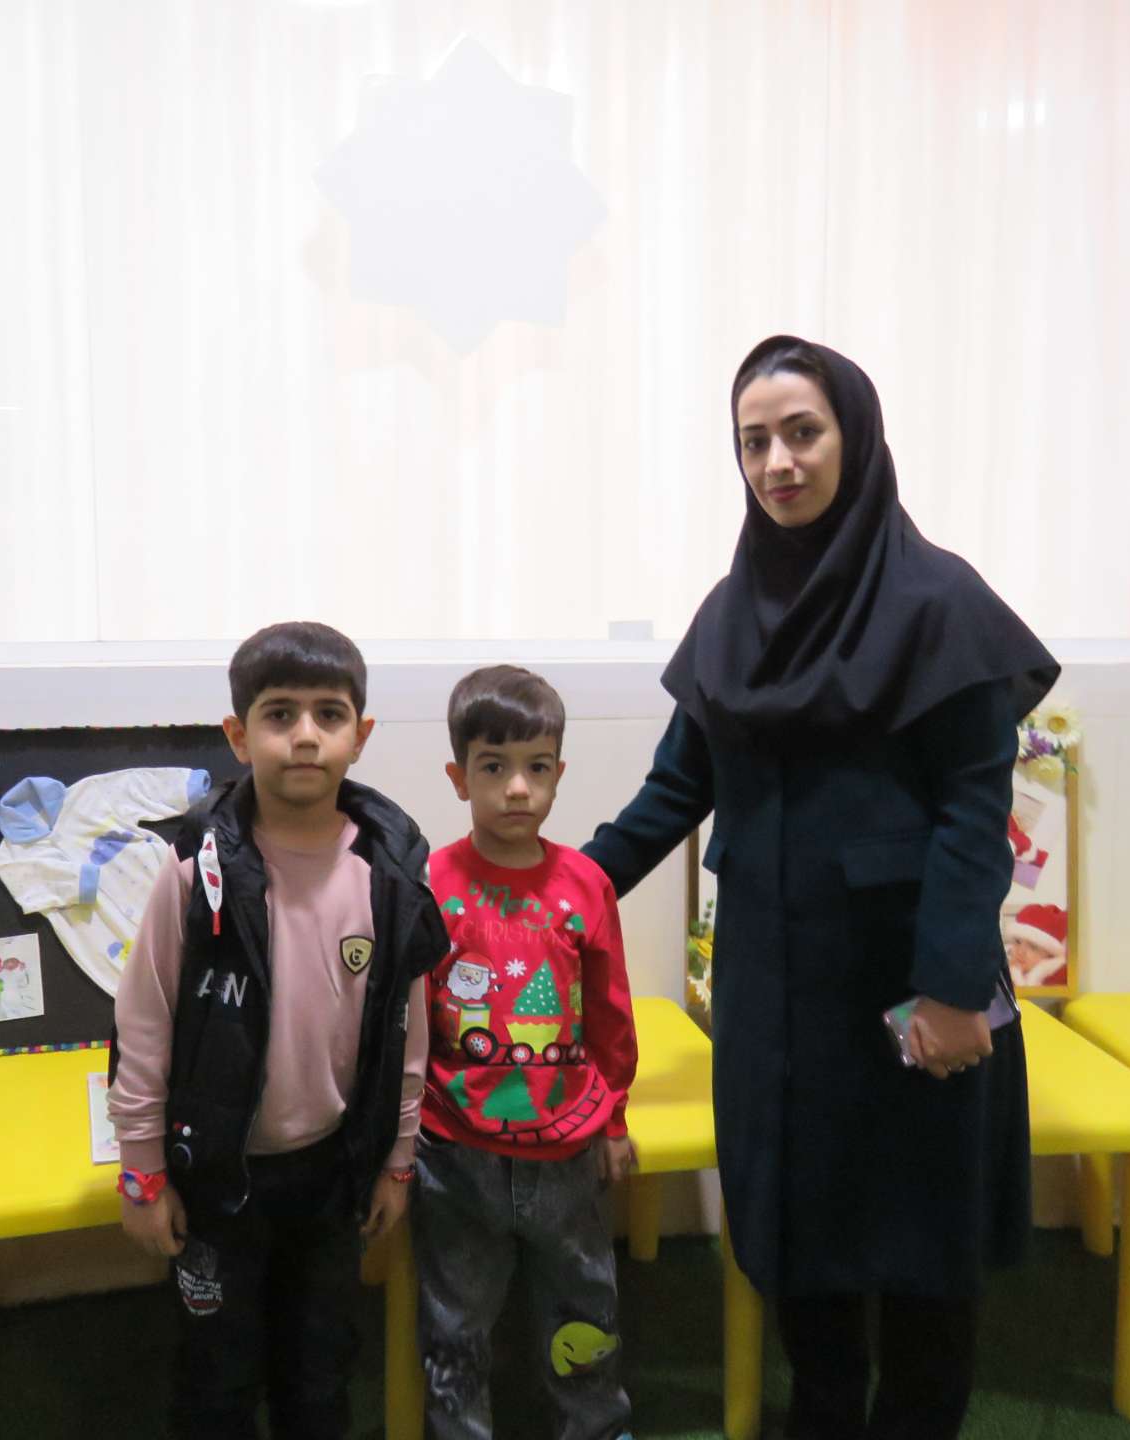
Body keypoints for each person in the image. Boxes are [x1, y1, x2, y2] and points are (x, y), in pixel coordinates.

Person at [583, 336, 1059, 1440]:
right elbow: (676, 789)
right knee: (799, 1225)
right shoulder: (733, 611)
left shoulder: (941, 603)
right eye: (754, 442)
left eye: (803, 433)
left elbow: (972, 817)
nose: (777, 463)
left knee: (924, 1236)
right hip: (776, 989)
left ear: (857, 436)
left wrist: (951, 989)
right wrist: (554, 890)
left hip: (912, 982)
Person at [107, 621, 447, 1439]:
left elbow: (408, 1034)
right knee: (217, 1379)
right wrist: (143, 1172)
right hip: (217, 1179)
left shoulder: (391, 876)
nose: (304, 735)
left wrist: (398, 1160)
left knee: (320, 1372)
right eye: (279, 714)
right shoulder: (195, 873)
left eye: (329, 715)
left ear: (360, 736)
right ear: (238, 735)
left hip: (333, 1176)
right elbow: (144, 1024)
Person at [414, 665, 640, 1440]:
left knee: (585, 1309)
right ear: (458, 777)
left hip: (568, 1152)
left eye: (537, 768)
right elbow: (408, 1020)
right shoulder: (431, 882)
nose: (518, 788)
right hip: (455, 1154)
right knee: (455, 1323)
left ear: (558, 773)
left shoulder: (586, 883)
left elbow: (610, 1015)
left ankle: (596, 1427)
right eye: (494, 767)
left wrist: (614, 1121)